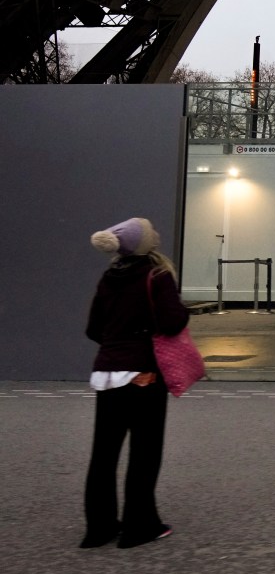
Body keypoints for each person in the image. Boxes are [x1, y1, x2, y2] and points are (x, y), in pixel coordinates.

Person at [81, 217, 190, 548]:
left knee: (104, 453)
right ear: (145, 242)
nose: (156, 232)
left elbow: (93, 329)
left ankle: (99, 528)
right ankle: (139, 526)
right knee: (144, 450)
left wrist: (117, 345)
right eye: (151, 229)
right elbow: (172, 322)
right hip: (144, 373)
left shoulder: (109, 276)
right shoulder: (157, 276)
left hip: (107, 373)